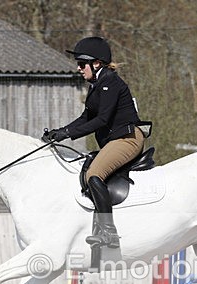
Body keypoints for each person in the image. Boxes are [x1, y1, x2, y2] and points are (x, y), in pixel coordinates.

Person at [44, 36, 148, 248]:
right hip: (115, 140)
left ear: (96, 63)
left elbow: (102, 120)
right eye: (79, 65)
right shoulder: (97, 83)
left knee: (94, 174)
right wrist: (61, 131)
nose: (79, 69)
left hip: (127, 139)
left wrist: (68, 134)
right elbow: (86, 117)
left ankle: (108, 232)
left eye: (82, 64)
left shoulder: (110, 82)